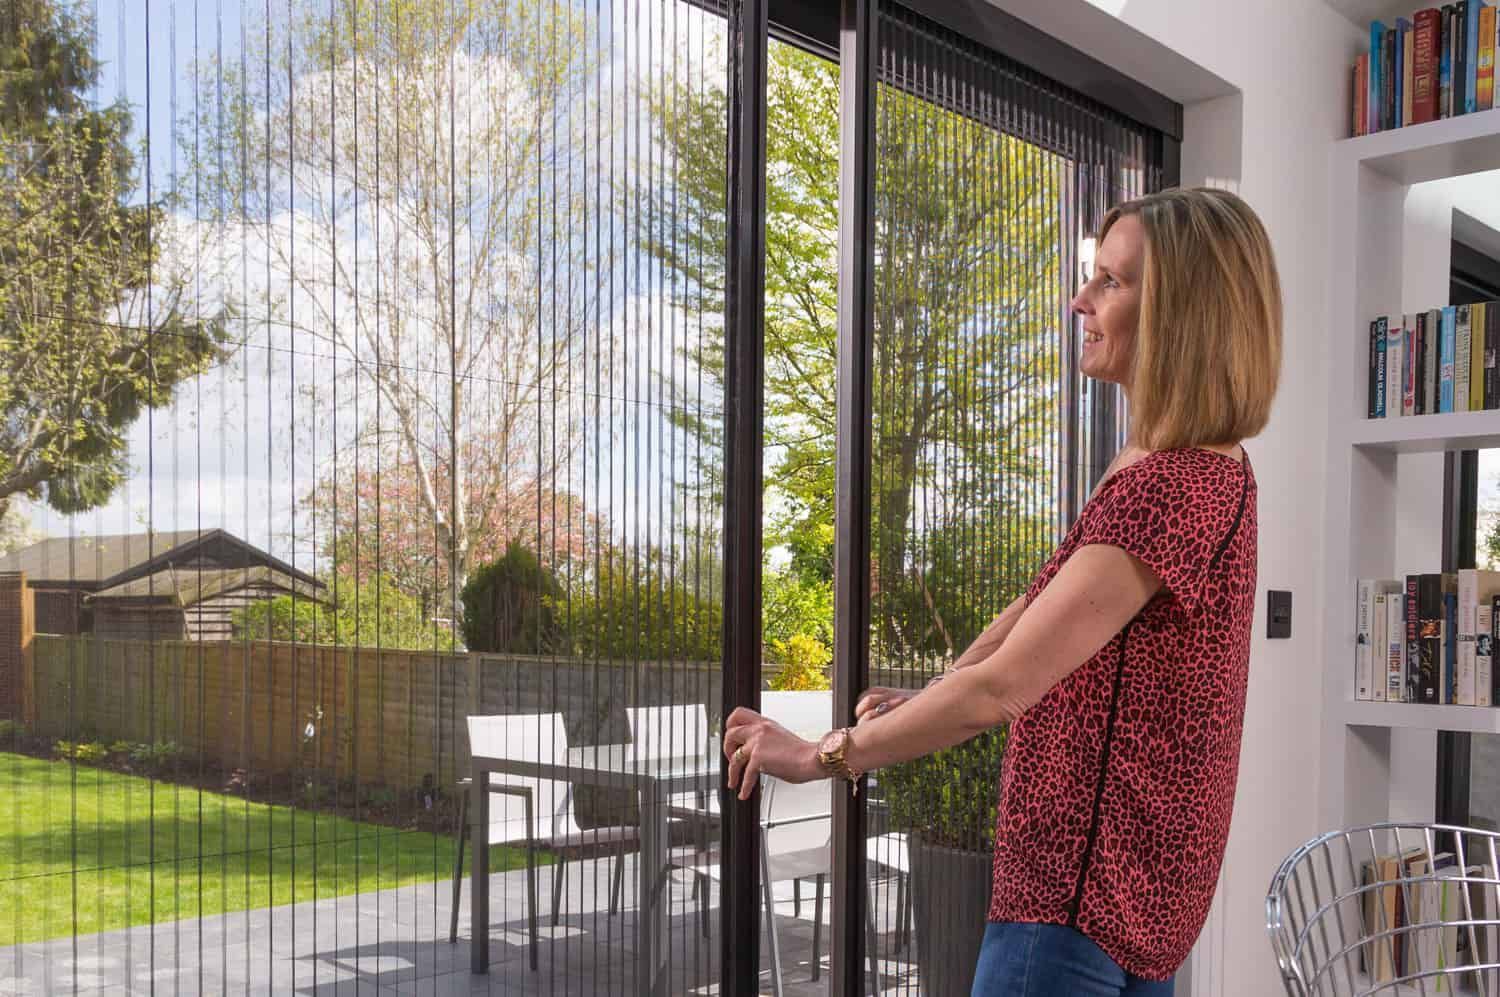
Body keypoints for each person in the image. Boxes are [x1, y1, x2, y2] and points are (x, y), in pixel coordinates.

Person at [721, 185, 1282, 996]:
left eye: (1112, 283)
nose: (1079, 299)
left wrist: (818, 755)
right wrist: (930, 693)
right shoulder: (1205, 472)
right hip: (1133, 909)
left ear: (1182, 316)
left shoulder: (1168, 486)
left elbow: (1003, 687)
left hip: (1073, 910)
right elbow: (1033, 614)